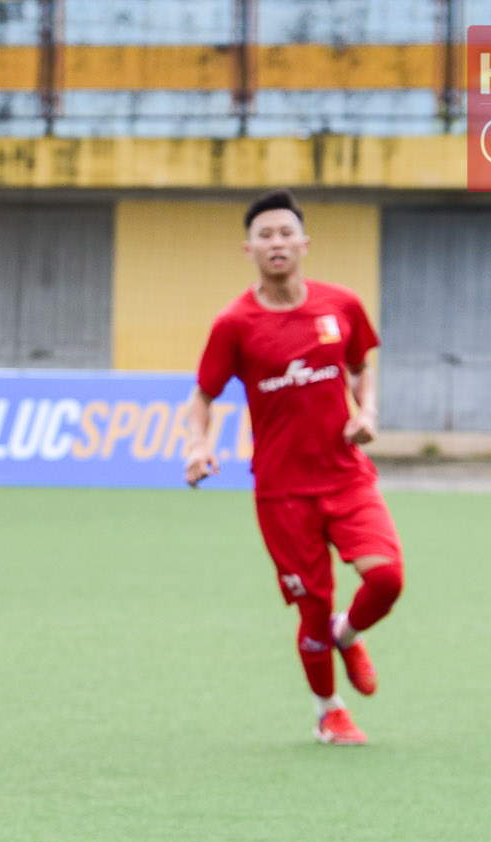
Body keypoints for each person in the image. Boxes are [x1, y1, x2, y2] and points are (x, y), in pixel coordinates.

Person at [181, 188, 405, 745]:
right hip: (282, 493)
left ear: (305, 242)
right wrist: (197, 445)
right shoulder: (235, 323)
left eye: (286, 232)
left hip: (346, 476)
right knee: (312, 606)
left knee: (386, 578)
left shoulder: (341, 306)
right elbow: (203, 396)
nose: (276, 242)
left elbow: (361, 368)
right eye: (265, 235)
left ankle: (347, 633)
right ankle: (329, 711)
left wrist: (367, 413)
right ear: (249, 249)